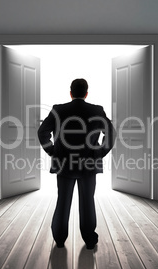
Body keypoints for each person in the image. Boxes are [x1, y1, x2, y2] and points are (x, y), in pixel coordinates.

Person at [38, 78, 116, 250]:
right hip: (88, 163)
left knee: (63, 201)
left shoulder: (58, 110)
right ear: (86, 93)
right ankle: (89, 240)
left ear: (70, 93)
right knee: (88, 201)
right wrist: (99, 153)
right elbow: (110, 134)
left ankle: (59, 240)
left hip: (64, 163)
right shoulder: (97, 110)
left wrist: (52, 151)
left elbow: (42, 132)